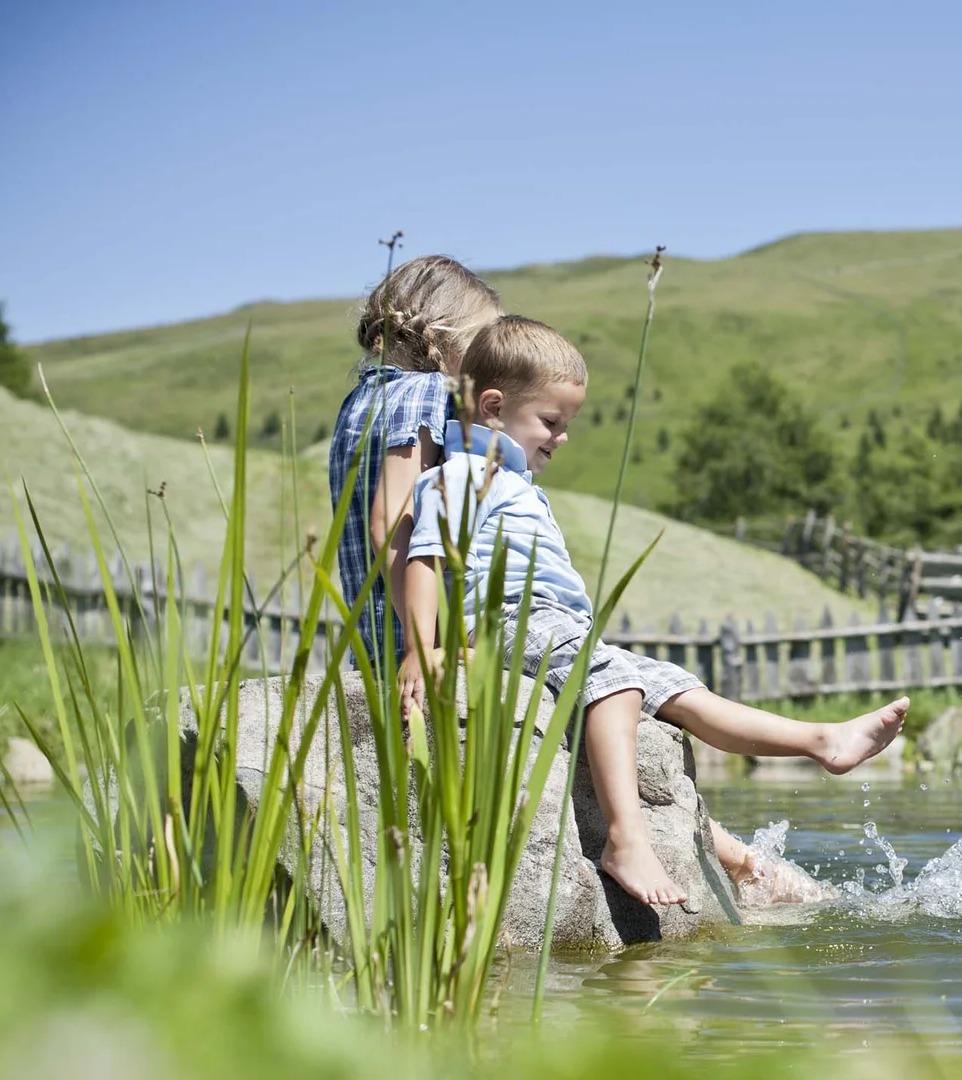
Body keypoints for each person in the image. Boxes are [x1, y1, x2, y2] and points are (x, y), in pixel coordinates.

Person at [400, 316, 908, 907]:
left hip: (561, 629)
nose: (562, 438)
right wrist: (420, 647)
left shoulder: (511, 480)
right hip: (512, 618)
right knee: (616, 685)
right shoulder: (461, 475)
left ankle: (822, 741)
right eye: (552, 422)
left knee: (676, 688)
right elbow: (426, 557)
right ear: (491, 406)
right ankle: (625, 839)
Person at [327, 255, 503, 670]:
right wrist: (427, 643)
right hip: (414, 640)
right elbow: (390, 519)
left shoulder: (360, 399)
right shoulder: (427, 391)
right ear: (449, 335)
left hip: (373, 639)